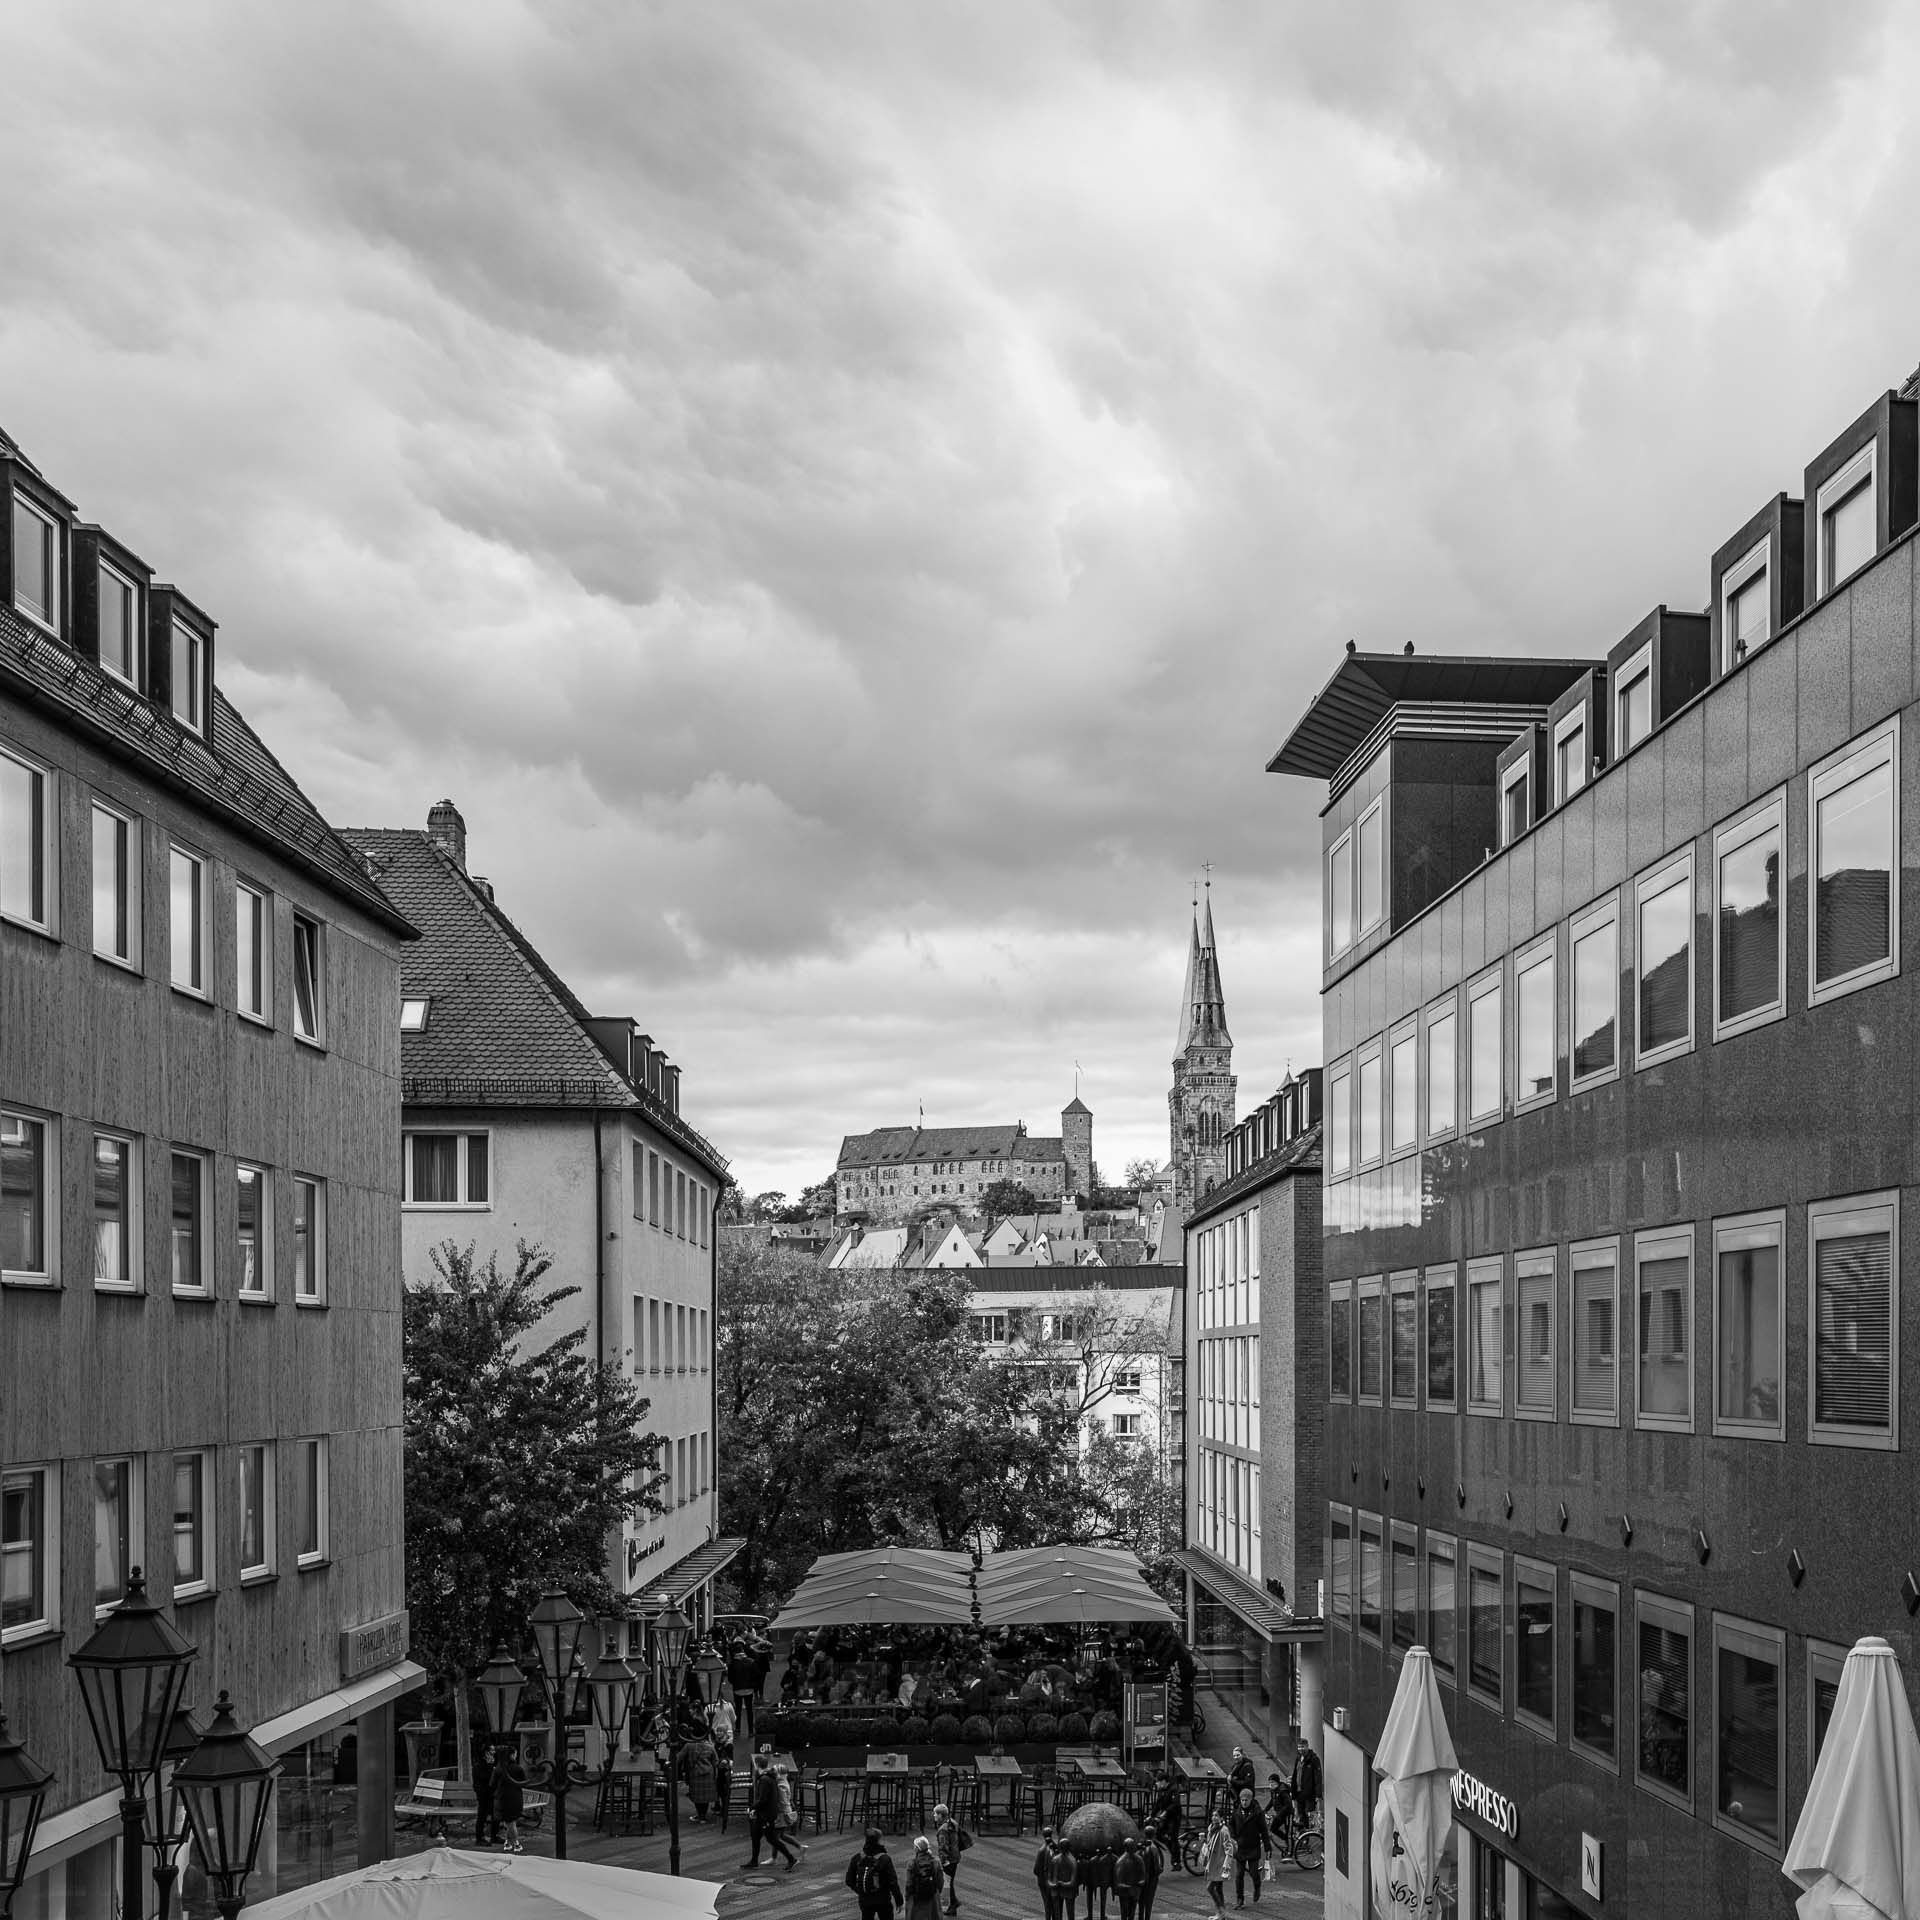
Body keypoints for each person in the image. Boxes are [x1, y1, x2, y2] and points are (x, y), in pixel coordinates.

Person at [743, 1754, 801, 1871]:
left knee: (772, 1839)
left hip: (766, 1815)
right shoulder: (771, 1778)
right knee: (756, 1836)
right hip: (766, 1813)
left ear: (757, 1766)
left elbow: (763, 1799)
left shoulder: (764, 1779)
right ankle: (754, 1861)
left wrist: (752, 1808)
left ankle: (791, 1859)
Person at [848, 1827, 903, 1918]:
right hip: (883, 1899)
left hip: (865, 1900)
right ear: (878, 1840)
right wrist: (899, 1900)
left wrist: (860, 1891)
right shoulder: (884, 1859)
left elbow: (849, 1880)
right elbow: (893, 1882)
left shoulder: (857, 1858)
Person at [1228, 1788, 1269, 1908]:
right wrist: (1233, 1836)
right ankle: (1239, 1899)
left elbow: (1264, 1830)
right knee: (1239, 1875)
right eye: (1242, 1800)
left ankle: (1257, 1887)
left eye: (1246, 1800)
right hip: (1240, 1847)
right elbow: (1231, 1824)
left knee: (1253, 1872)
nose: (1244, 1802)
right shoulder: (1237, 1812)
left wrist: (1267, 1847)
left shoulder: (1257, 1813)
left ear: (1251, 1799)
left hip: (1253, 1846)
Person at [931, 1801, 971, 1914]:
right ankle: (953, 1905)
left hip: (949, 1860)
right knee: (949, 1882)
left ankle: (953, 1903)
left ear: (940, 1815)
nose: (934, 1815)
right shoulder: (952, 1822)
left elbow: (943, 1847)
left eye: (935, 1814)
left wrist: (944, 1861)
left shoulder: (943, 1830)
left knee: (947, 1883)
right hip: (956, 1857)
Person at [492, 1749, 527, 1855]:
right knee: (511, 1822)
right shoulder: (518, 1768)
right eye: (515, 1754)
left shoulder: (498, 1769)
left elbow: (492, 1784)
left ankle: (508, 1842)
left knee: (508, 1821)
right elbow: (523, 1783)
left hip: (502, 1798)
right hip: (515, 1797)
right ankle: (516, 1843)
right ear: (512, 1755)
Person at [1198, 1805, 1230, 1917]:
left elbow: (1228, 1849)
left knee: (1210, 1887)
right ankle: (1221, 1914)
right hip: (1212, 1862)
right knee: (1219, 1888)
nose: (1214, 1817)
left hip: (1219, 1864)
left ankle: (1220, 1911)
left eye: (1216, 1815)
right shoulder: (1211, 1827)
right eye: (1213, 1815)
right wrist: (1203, 1841)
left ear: (1221, 1818)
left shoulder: (1224, 1830)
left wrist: (1226, 1865)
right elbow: (1209, 1844)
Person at [903, 1836, 944, 1920]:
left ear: (917, 1849)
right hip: (931, 1896)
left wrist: (907, 1896)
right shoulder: (935, 1862)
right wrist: (936, 1891)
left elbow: (909, 1883)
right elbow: (940, 1881)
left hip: (916, 1897)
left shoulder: (911, 1863)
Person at [683, 1730, 720, 1823]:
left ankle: (700, 1815)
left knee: (697, 1796)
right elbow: (716, 1761)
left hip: (695, 1774)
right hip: (708, 1774)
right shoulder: (710, 1746)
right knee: (705, 1797)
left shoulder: (689, 1746)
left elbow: (679, 1757)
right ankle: (703, 1816)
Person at [1046, 1830, 1081, 1920]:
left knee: (1069, 1912)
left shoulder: (1072, 1862)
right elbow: (1049, 1878)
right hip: (1057, 1889)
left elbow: (1072, 1882)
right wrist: (1053, 1884)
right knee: (1057, 1913)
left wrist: (1061, 1883)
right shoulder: (1055, 1860)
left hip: (1067, 1890)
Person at [471, 1740, 497, 1848]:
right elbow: (483, 1779)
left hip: (491, 1794)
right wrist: (492, 1769)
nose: (494, 1752)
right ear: (486, 1752)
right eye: (492, 1750)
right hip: (483, 1794)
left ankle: (494, 1835)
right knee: (482, 1816)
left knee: (496, 1814)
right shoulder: (479, 1765)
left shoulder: (490, 1763)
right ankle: (479, 1838)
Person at [1112, 1838, 1147, 1920]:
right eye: (1130, 1847)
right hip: (1125, 1892)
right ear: (1126, 1848)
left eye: (1133, 1846)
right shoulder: (1121, 1861)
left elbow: (1143, 1874)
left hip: (1135, 1890)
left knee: (1132, 1912)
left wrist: (1141, 1881)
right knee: (1124, 1912)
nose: (1132, 1848)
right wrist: (1125, 1886)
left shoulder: (1139, 1859)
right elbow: (1118, 1880)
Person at [1289, 1744, 1321, 1826]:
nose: (1300, 1749)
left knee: (1310, 1814)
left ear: (1307, 1746)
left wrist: (1318, 1794)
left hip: (1310, 1793)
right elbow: (1295, 1774)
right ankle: (1305, 1834)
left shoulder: (1314, 1759)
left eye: (1302, 1747)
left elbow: (1318, 1777)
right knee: (1301, 1815)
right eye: (1299, 1747)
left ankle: (1312, 1833)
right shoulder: (1298, 1758)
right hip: (1299, 1792)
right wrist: (1292, 1790)